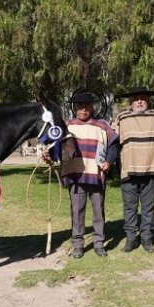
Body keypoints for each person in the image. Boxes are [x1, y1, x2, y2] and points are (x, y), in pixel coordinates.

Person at [113, 86, 154, 253]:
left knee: (148, 206)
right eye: (136, 98)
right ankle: (130, 239)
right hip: (129, 168)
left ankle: (147, 238)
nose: (139, 101)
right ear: (130, 101)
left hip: (151, 167)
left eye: (142, 98)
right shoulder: (121, 118)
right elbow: (112, 140)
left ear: (148, 100)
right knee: (130, 206)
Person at [58, 91, 119, 258]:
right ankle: (78, 244)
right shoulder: (67, 126)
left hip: (96, 175)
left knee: (98, 211)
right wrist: (49, 154)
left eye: (87, 106)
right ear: (74, 108)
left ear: (92, 107)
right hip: (75, 176)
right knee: (77, 212)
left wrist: (109, 161)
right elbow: (57, 147)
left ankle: (99, 243)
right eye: (79, 106)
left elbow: (114, 145)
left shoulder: (102, 125)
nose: (83, 109)